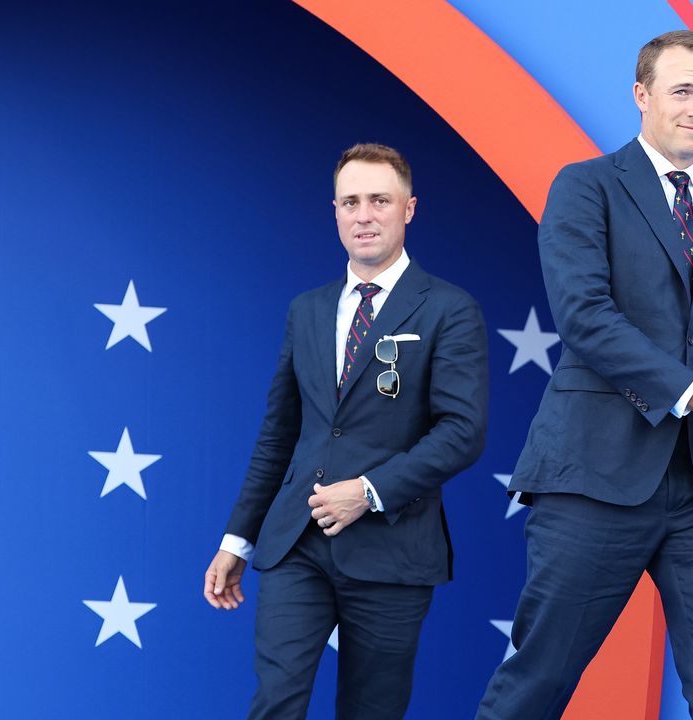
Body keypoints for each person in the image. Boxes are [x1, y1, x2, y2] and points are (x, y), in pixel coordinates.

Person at [476, 30, 693, 720]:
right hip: (595, 476)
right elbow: (585, 317)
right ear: (642, 96)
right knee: (537, 683)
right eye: (683, 90)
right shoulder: (586, 187)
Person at [203, 143, 488, 720]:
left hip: (393, 546)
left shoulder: (449, 309)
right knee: (274, 702)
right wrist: (238, 539)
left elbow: (463, 431)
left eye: (380, 200)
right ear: (335, 211)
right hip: (296, 544)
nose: (364, 215)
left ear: (409, 209)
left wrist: (368, 491)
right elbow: (278, 435)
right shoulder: (306, 310)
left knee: (371, 711)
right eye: (351, 201)